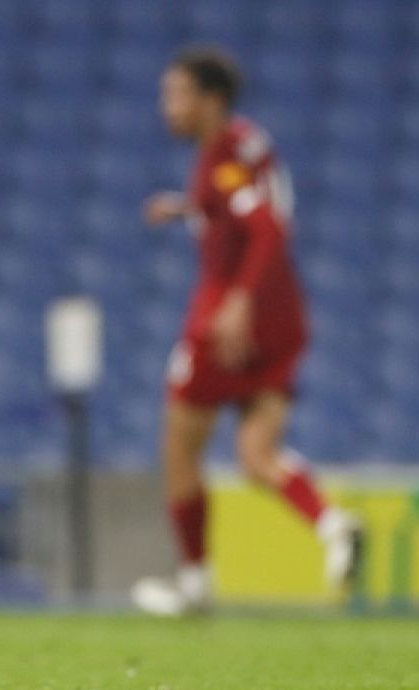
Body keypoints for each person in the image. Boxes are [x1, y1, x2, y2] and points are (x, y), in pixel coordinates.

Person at [133, 46, 362, 616]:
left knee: (179, 444)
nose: (169, 108)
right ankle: (334, 525)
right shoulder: (244, 148)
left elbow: (266, 228)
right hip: (286, 315)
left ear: (211, 100)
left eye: (178, 95)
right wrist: (188, 209)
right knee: (258, 451)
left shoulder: (225, 154)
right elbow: (241, 209)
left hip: (232, 319)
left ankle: (194, 582)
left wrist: (236, 302)